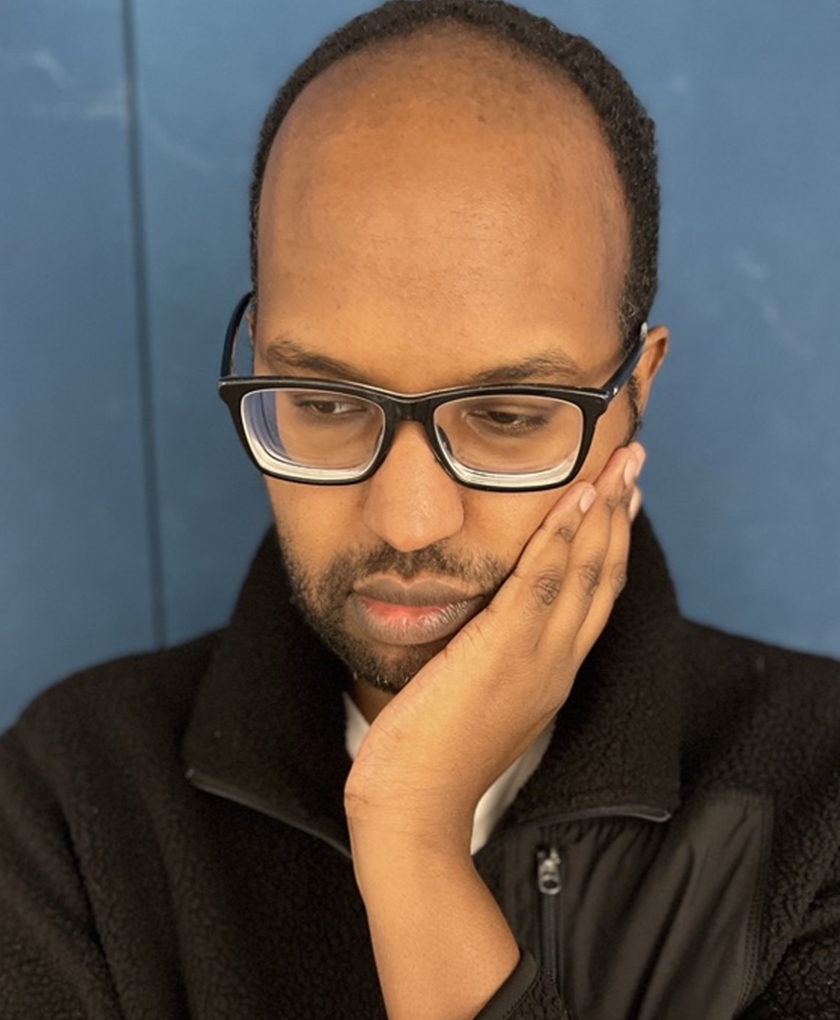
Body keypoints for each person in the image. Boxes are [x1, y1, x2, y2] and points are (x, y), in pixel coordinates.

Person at [1, 1, 839, 1017]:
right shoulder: (75, 797)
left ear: (636, 390)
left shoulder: (818, 790)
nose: (408, 522)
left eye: (507, 417)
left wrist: (412, 840)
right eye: (323, 404)